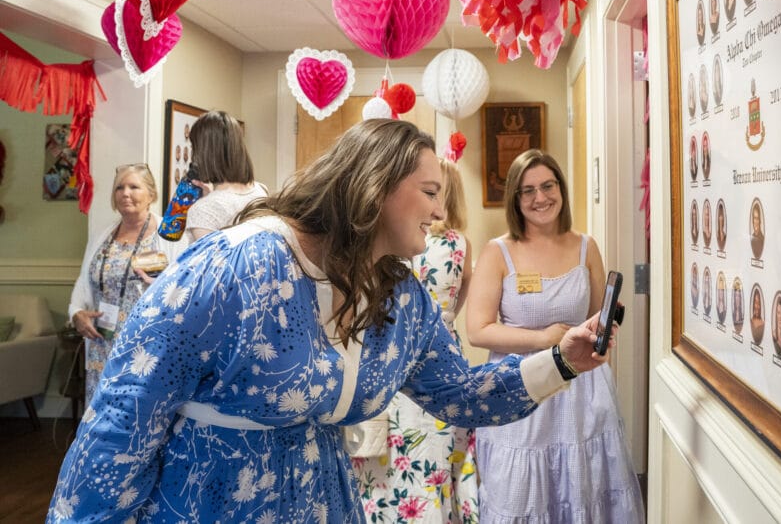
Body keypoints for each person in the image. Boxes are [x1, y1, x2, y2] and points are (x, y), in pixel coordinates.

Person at [49, 121, 613, 524]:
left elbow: (462, 395)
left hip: (326, 501)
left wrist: (563, 361)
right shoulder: (236, 265)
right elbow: (125, 414)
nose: (441, 213)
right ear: (375, 186)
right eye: (430, 192)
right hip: (208, 504)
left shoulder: (400, 298)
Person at [465, 149, 644, 523]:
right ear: (515, 198)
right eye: (527, 190)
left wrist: (605, 325)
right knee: (521, 490)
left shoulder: (586, 246)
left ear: (561, 189)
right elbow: (478, 330)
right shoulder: (499, 252)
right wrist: (544, 339)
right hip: (521, 385)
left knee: (582, 484)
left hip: (581, 390)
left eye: (548, 186)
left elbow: (597, 313)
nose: (540, 198)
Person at [353, 158, 479, 521]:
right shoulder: (460, 245)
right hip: (444, 349)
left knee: (390, 458)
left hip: (392, 349)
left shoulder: (394, 241)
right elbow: (458, 300)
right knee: (440, 455)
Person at [68, 163, 182, 403]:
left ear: (151, 194)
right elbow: (84, 280)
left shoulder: (168, 234)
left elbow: (183, 289)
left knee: (139, 417)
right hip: (102, 344)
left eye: (134, 187)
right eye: (119, 188)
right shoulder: (103, 235)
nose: (126, 193)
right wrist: (77, 313)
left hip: (147, 348)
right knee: (101, 420)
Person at [183, 110, 267, 243]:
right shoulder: (261, 190)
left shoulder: (203, 210)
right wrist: (211, 196)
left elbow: (211, 263)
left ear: (203, 152)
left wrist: (209, 201)